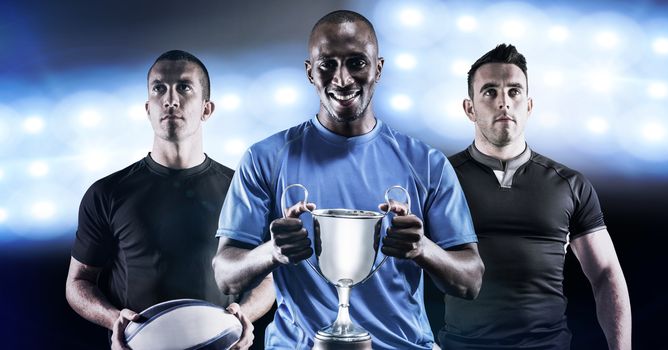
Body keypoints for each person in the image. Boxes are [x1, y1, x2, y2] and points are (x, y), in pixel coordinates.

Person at [212, 10, 484, 350]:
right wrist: (272, 251)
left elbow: (470, 281)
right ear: (310, 72)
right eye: (327, 65)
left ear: (378, 69)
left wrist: (423, 249)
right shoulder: (265, 158)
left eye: (356, 62)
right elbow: (225, 274)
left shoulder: (426, 163)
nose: (342, 79)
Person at [65, 50, 274, 350]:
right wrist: (114, 319)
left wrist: (245, 316)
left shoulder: (242, 191)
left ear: (207, 109)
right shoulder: (107, 193)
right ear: (148, 107)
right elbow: (78, 282)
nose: (170, 99)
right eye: (159, 88)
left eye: (184, 87)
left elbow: (267, 279)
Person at [439, 44, 632, 350]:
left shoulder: (570, 184)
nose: (504, 102)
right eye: (490, 91)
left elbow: (606, 273)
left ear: (528, 106)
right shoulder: (438, 178)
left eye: (514, 91)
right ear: (470, 108)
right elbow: (403, 266)